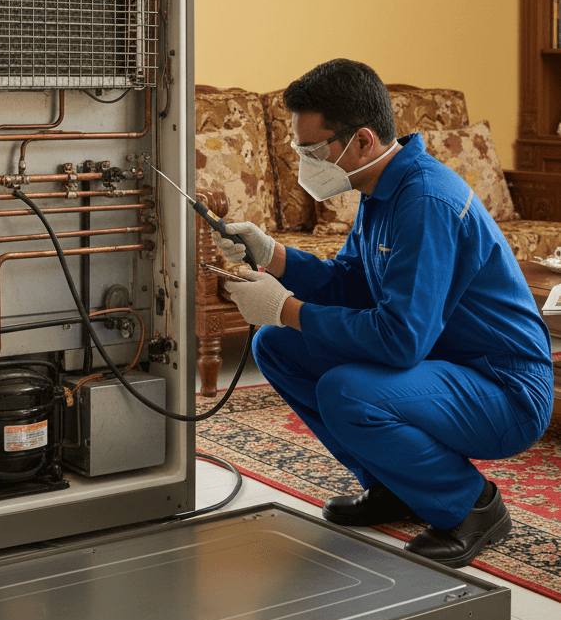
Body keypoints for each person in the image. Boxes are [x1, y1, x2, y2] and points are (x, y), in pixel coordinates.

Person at [213, 59, 553, 569]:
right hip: (448, 366)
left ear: (363, 140)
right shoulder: (381, 190)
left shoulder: (425, 201)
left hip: (505, 389)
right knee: (276, 347)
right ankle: (397, 486)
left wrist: (286, 307)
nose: (303, 160)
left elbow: (400, 340)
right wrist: (273, 254)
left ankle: (472, 505)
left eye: (311, 149)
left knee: (345, 390)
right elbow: (351, 285)